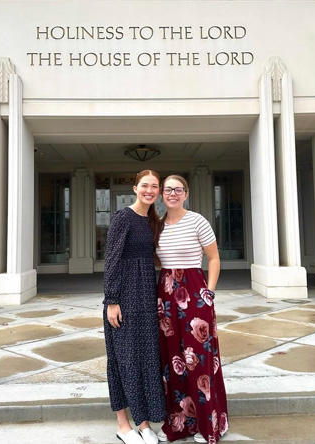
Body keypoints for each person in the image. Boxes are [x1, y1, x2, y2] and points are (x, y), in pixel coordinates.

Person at [155, 175, 229, 444]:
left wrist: (209, 291)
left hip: (195, 292)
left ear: (186, 193)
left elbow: (214, 257)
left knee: (197, 359)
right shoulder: (157, 225)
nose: (172, 194)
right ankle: (179, 422)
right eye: (168, 190)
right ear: (162, 195)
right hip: (165, 294)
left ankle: (207, 423)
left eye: (178, 189)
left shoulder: (198, 220)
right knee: (173, 360)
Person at [103, 170, 167, 444]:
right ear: (135, 188)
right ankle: (123, 424)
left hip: (145, 296)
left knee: (145, 359)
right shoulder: (123, 218)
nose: (149, 190)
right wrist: (112, 301)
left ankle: (143, 422)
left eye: (154, 186)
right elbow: (112, 260)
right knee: (123, 360)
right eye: (145, 185)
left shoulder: (152, 221)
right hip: (124, 297)